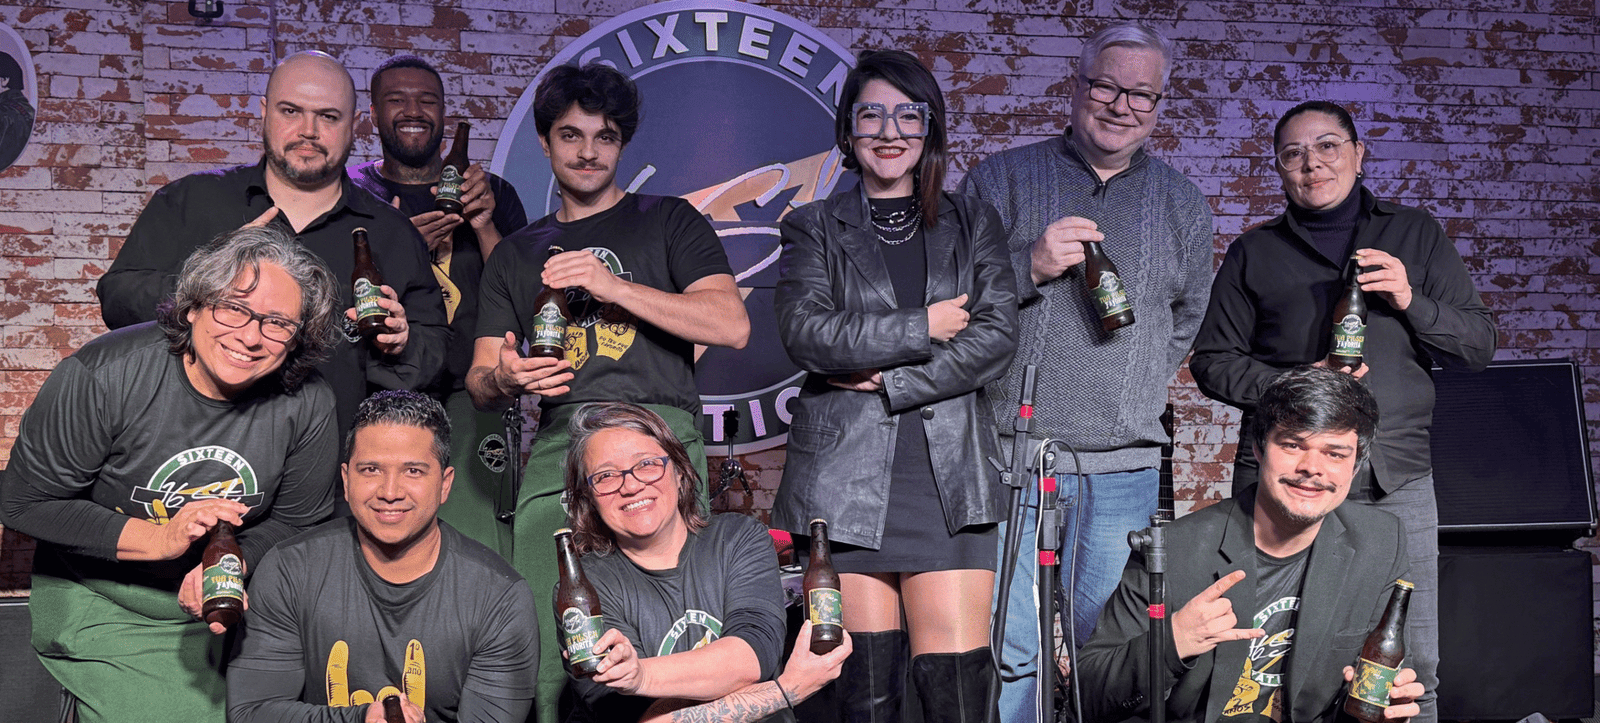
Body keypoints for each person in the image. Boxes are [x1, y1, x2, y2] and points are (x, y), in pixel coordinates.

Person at [1188, 101, 1496, 723]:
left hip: (1395, 477)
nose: (1312, 163)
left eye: (1327, 146)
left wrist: (1409, 298)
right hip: (1283, 481)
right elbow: (1212, 362)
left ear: (1358, 153)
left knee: (1411, 665)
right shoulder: (1254, 251)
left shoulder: (1416, 234)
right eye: (1293, 153)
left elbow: (1477, 347)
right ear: (1279, 169)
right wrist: (1297, 382)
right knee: (1262, 658)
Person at [466, 62, 750, 723]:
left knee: (675, 618)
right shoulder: (516, 253)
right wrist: (505, 378)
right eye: (571, 135)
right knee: (551, 624)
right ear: (545, 141)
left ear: (623, 144)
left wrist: (612, 285)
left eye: (606, 136)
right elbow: (481, 376)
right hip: (563, 444)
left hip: (660, 435)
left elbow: (731, 324)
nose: (588, 151)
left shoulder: (669, 220)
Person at [958, 21, 1214, 718]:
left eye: (1142, 94)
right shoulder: (1001, 180)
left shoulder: (1182, 202)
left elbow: (1186, 318)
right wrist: (1028, 266)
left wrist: (1131, 384)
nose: (1121, 105)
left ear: (1159, 104)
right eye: (1105, 86)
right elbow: (951, 303)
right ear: (1075, 87)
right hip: (1010, 458)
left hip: (1123, 467)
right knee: (1011, 646)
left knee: (1100, 649)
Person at [0, 226, 342, 722]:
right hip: (111, 598)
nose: (250, 336)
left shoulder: (309, 401)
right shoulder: (105, 375)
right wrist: (160, 538)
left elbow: (298, 520)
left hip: (236, 594)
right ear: (193, 306)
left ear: (297, 338)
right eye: (233, 308)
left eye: (277, 323)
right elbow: (23, 504)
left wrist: (229, 565)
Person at [773, 50, 1018, 723]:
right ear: (848, 130)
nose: (889, 131)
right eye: (871, 115)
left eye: (908, 114)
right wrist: (924, 325)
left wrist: (893, 381)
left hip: (950, 483)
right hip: (843, 483)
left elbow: (996, 338)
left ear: (929, 127)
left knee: (959, 694)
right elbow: (807, 333)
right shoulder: (813, 226)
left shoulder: (973, 221)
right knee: (865, 693)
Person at [96, 49, 447, 437]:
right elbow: (117, 301)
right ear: (264, 112)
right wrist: (208, 280)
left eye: (328, 116)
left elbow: (437, 353)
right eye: (291, 111)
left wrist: (401, 342)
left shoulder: (393, 233)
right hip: (197, 453)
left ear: (355, 124)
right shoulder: (191, 201)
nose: (308, 130)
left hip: (332, 461)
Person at [1079, 366, 1426, 723]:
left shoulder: (1380, 541)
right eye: (1293, 445)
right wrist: (1172, 641)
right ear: (1259, 449)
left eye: (1335, 454)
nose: (1312, 467)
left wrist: (1384, 710)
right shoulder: (1172, 550)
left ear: (1355, 467)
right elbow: (1087, 695)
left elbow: (1376, 682)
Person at [228, 390, 539, 723]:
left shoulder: (499, 598)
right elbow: (251, 713)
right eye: (371, 470)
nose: (390, 492)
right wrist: (359, 719)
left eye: (413, 471)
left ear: (445, 484)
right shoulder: (290, 569)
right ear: (346, 480)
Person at [560, 402, 851, 723]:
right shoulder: (583, 590)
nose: (630, 485)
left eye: (647, 464)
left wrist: (642, 676)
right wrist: (785, 690)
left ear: (679, 472)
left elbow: (751, 659)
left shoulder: (739, 538)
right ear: (587, 497)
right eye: (605, 476)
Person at [350, 54, 530, 557]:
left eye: (427, 100)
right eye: (397, 100)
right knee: (385, 536)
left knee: (481, 541)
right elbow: (334, 299)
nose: (413, 110)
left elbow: (529, 302)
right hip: (379, 390)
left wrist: (485, 225)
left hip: (473, 394)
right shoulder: (352, 193)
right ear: (373, 114)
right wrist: (401, 248)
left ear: (445, 113)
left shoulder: (493, 193)